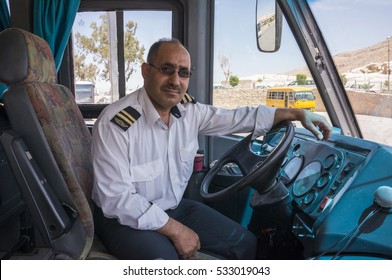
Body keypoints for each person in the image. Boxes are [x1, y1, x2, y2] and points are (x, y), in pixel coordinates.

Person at [91, 38, 332, 260]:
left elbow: (236, 118)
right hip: (123, 219)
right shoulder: (116, 123)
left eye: (183, 73)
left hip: (172, 208)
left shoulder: (189, 112)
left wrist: (296, 113)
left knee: (245, 245)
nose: (175, 80)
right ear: (146, 71)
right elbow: (116, 199)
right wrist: (176, 230)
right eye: (166, 69)